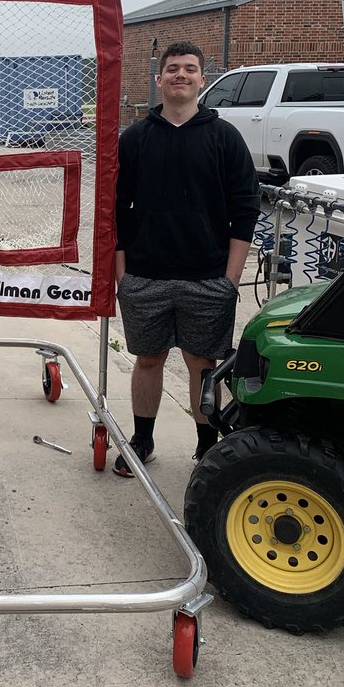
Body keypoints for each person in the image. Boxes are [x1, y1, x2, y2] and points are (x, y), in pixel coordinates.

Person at [113, 42, 260, 477]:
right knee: (149, 360)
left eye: (190, 69)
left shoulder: (224, 138)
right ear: (159, 80)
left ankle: (205, 449)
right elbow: (116, 210)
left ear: (201, 79)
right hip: (146, 276)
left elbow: (245, 210)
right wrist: (123, 273)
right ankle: (143, 439)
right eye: (172, 69)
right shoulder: (135, 139)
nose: (181, 75)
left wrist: (230, 280)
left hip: (207, 279)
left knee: (202, 364)